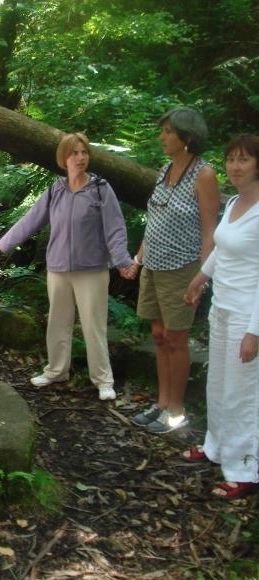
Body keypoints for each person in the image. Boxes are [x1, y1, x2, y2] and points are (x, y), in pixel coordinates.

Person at [0, 133, 134, 400]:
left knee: (93, 326)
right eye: (74, 153)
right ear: (63, 158)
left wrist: (123, 261)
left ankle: (103, 380)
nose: (80, 158)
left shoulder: (101, 189)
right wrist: (1, 245)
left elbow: (115, 228)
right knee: (58, 323)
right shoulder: (56, 189)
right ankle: (56, 371)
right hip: (58, 269)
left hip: (91, 270)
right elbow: (30, 220)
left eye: (84, 153)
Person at [129, 107, 220, 434]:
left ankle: (177, 411)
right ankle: (162, 403)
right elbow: (154, 219)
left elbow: (211, 231)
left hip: (183, 268)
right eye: (162, 130)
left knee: (175, 338)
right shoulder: (165, 169)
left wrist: (203, 277)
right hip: (153, 264)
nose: (162, 137)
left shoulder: (204, 175)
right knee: (158, 335)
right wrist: (137, 260)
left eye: (168, 131)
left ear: (188, 137)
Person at [182, 134, 259, 499]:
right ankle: (216, 447)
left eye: (243, 160)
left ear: (257, 165)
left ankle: (245, 468)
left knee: (242, 392)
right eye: (230, 160)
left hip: (248, 314)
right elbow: (222, 250)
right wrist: (200, 279)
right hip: (222, 308)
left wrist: (254, 332)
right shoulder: (232, 205)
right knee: (218, 384)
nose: (234, 167)